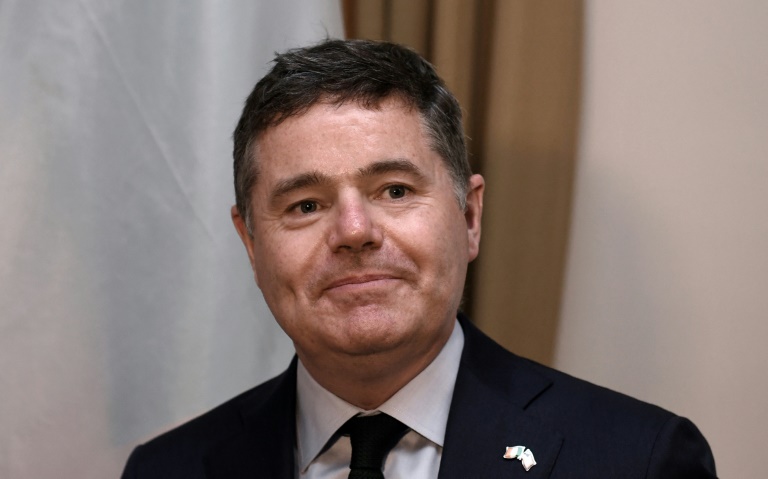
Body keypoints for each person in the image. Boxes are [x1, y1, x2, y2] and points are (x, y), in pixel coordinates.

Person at [121, 39, 716, 478]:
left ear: (470, 217)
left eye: (395, 191)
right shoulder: (166, 471)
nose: (354, 232)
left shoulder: (639, 459)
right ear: (251, 244)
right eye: (306, 205)